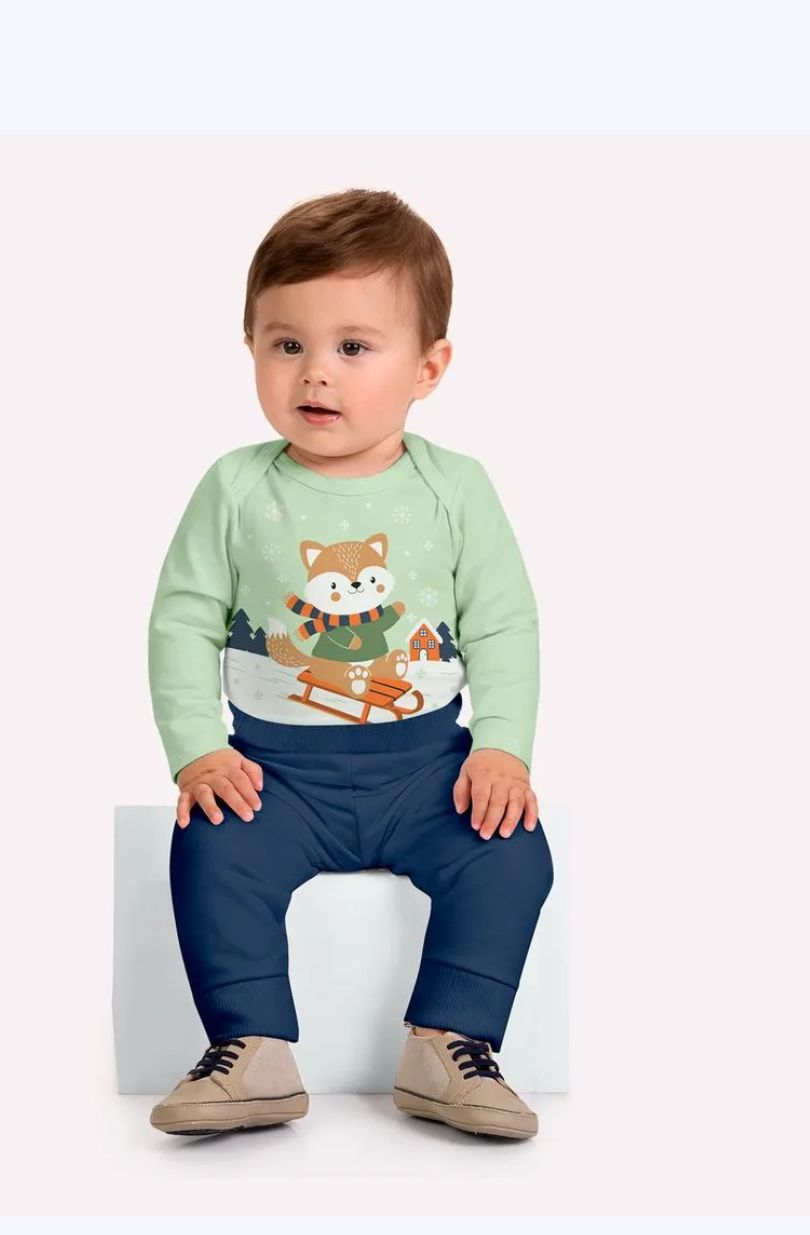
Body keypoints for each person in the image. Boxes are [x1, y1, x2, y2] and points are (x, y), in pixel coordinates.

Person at [145, 188, 554, 1140]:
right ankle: (250, 1047)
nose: (316, 373)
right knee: (211, 851)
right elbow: (181, 621)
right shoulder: (236, 486)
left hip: (426, 771)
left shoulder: (456, 487)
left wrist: (501, 750)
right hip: (273, 775)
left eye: (354, 347)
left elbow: (504, 625)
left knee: (511, 854)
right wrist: (198, 751)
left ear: (428, 367)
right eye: (287, 344)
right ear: (251, 347)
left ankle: (450, 1042)